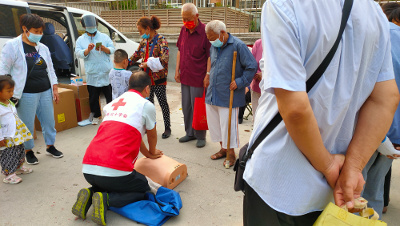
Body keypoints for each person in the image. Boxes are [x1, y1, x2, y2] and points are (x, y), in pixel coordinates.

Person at [242, 1, 399, 225]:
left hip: (278, 183)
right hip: (337, 189)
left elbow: (295, 108)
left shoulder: (284, 5)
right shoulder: (373, 12)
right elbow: (386, 98)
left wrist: (327, 165)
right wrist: (353, 166)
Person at [71, 71, 163, 225]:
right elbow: (152, 136)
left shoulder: (113, 104)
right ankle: (107, 200)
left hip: (88, 169)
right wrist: (152, 153)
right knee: (142, 188)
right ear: (147, 89)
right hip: (114, 171)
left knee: (109, 181)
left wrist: (146, 153)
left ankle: (90, 192)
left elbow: (135, 133)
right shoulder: (146, 105)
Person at [0, 14, 63, 165]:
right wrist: (5, 93)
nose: (39, 34)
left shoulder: (43, 48)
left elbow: (50, 69)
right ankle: (28, 150)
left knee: (49, 121)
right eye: (36, 31)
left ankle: (50, 145)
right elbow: (3, 69)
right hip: (26, 93)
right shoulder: (12, 46)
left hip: (45, 90)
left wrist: (54, 87)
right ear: (25, 29)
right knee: (27, 123)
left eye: (41, 31)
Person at [363, 3, 400, 215]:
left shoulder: (377, 32)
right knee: (374, 193)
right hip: (394, 135)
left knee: (351, 190)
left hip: (365, 128)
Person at [205, 20, 257, 168]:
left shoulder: (238, 46)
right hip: (213, 92)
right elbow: (213, 62)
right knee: (215, 125)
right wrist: (208, 75)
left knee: (228, 126)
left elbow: (252, 66)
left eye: (212, 38)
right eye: (209, 39)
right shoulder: (215, 46)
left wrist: (240, 82)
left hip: (229, 94)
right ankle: (223, 148)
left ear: (222, 33)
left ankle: (231, 153)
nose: (211, 41)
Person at [175, 3, 211, 148]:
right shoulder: (183, 30)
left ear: (197, 16)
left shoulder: (205, 31)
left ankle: (200, 136)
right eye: (183, 19)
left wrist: (207, 75)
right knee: (186, 106)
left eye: (188, 19)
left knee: (198, 107)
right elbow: (179, 50)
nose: (186, 22)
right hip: (186, 75)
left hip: (199, 77)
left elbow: (210, 56)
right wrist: (176, 69)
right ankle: (189, 133)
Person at [129, 15, 171, 139]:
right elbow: (136, 55)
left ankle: (167, 127)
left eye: (140, 31)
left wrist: (149, 63)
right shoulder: (144, 41)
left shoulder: (161, 39)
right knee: (148, 104)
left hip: (158, 79)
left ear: (148, 29)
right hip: (146, 79)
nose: (140, 34)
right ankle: (150, 127)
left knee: (163, 103)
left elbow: (165, 58)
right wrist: (126, 62)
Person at [75, 14, 115, 125]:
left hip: (106, 71)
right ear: (84, 26)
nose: (92, 28)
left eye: (93, 26)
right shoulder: (81, 40)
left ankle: (111, 115)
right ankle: (96, 115)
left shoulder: (104, 37)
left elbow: (112, 49)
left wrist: (104, 48)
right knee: (93, 97)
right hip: (92, 72)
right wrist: (87, 50)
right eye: (89, 26)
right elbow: (78, 53)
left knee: (110, 96)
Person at [0, 75, 33, 184]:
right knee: (8, 155)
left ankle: (18, 168)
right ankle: (9, 175)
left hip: (17, 134)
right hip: (6, 136)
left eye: (12, 91)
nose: (11, 93)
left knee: (19, 151)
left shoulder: (9, 102)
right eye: (8, 91)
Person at [249, 39, 263, 121]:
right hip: (257, 86)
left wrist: (264, 74)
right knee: (256, 117)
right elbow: (251, 63)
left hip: (272, 89)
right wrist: (258, 73)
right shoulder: (258, 43)